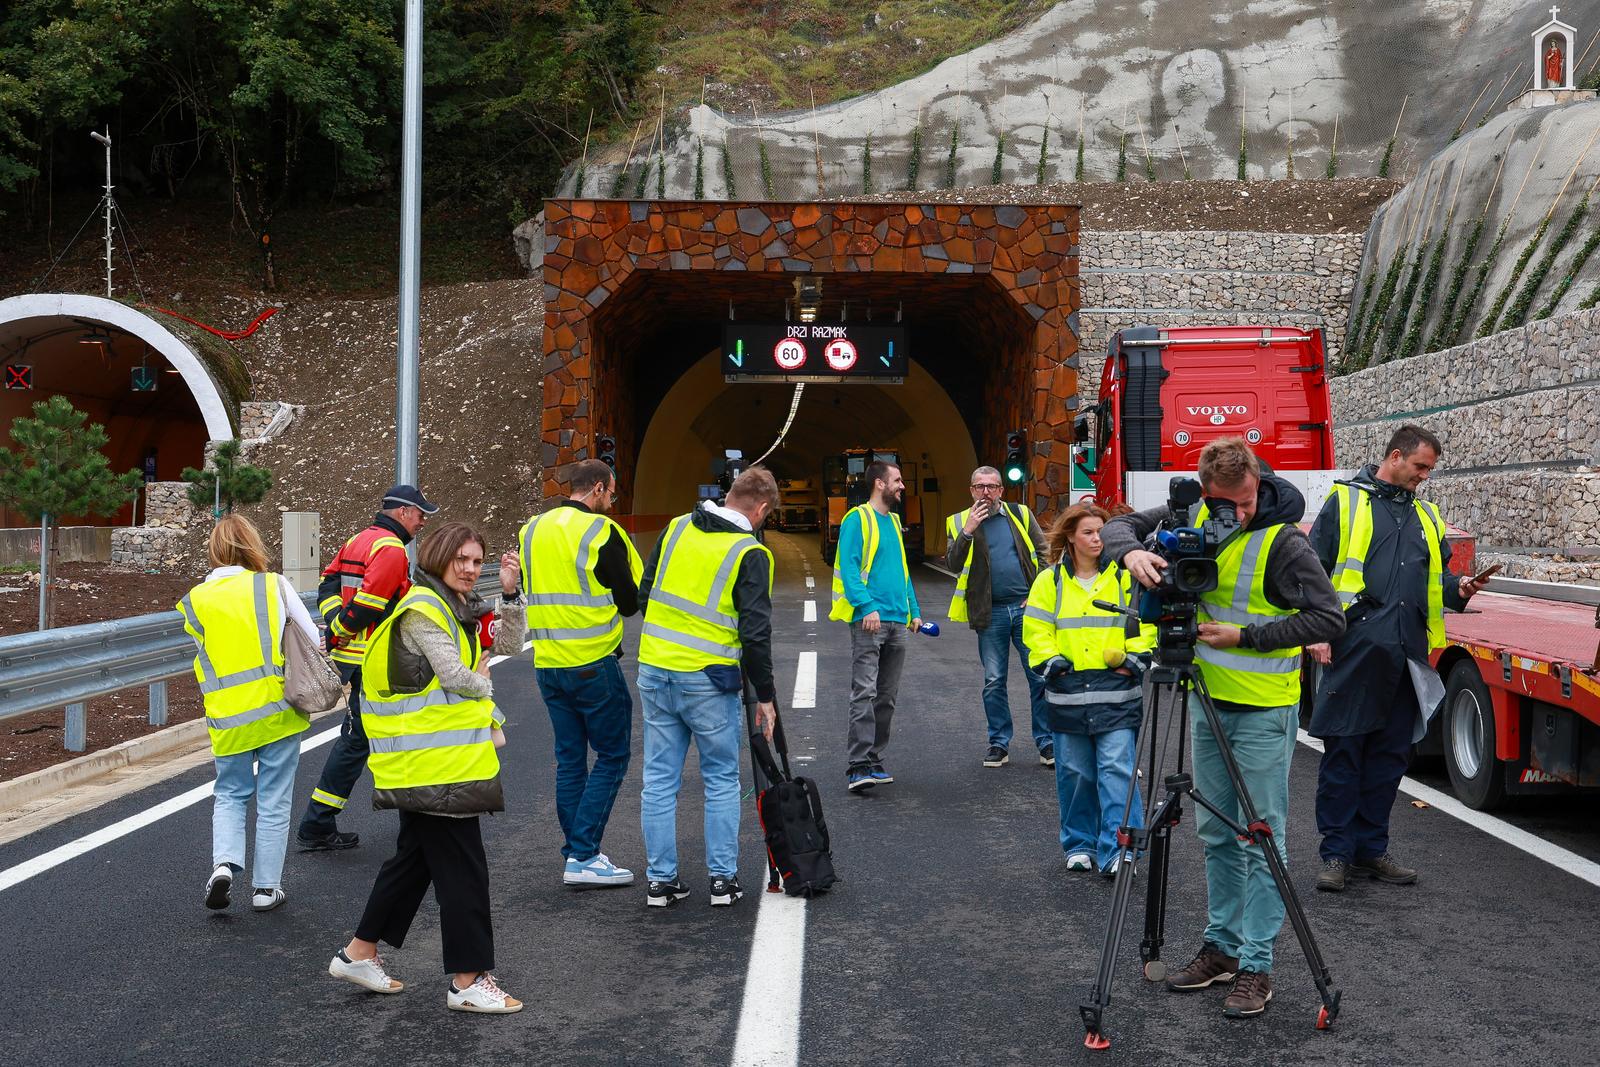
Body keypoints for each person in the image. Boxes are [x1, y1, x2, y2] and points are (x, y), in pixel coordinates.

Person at [1102, 437, 1344, 1019]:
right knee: (1215, 835)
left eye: (1241, 500)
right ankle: (1224, 948)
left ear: (1257, 482)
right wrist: (1130, 553)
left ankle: (1257, 966)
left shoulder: (1284, 542)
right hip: (1206, 701)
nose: (1231, 512)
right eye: (1220, 502)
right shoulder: (1197, 513)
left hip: (1263, 708)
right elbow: (1118, 526)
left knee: (1259, 837)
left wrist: (1247, 637)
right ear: (1204, 489)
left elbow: (1328, 618)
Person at [328, 521, 528, 1014]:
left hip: (430, 763)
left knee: (413, 863)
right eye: (462, 558)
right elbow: (459, 677)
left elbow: (505, 648)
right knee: (464, 870)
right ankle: (468, 979)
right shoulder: (423, 610)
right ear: (438, 557)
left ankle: (360, 952)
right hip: (434, 766)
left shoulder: (455, 607)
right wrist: (483, 684)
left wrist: (511, 595)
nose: (470, 568)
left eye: (478, 561)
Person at [1306, 425, 1488, 892]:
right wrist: (1316, 633)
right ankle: (1336, 854)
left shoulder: (1426, 515)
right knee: (1345, 755)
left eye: (1429, 469)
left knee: (1388, 759)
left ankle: (1370, 850)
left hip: (1407, 654)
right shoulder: (1346, 502)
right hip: (1353, 650)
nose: (1425, 477)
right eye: (1420, 467)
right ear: (1395, 456)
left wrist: (1459, 590)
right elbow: (1311, 573)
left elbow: (1437, 580)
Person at [635, 466, 779, 908]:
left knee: (659, 780)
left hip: (655, 670)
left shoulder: (677, 527)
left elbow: (645, 594)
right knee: (719, 779)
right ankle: (722, 880)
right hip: (709, 681)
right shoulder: (749, 552)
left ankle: (660, 883)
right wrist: (766, 696)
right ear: (761, 508)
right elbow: (755, 634)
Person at [179, 515, 318, 913]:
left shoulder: (196, 599)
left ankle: (223, 864)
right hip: (276, 711)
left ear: (215, 550)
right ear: (251, 546)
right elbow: (309, 637)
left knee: (229, 795)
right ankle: (265, 889)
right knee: (273, 800)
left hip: (227, 717)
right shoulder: (272, 585)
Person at [517, 458, 643, 887]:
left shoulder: (531, 529)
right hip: (593, 664)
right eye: (611, 492)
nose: (612, 499)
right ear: (600, 488)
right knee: (612, 756)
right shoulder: (602, 532)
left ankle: (577, 854)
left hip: (548, 664)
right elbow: (629, 602)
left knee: (569, 760)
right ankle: (584, 854)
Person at [296, 485, 436, 851]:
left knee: (360, 739)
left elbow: (326, 587)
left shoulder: (358, 540)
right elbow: (371, 606)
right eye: (421, 514)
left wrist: (334, 625)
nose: (422, 522)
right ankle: (318, 823)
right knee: (370, 739)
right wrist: (340, 632)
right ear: (403, 512)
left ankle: (320, 822)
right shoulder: (390, 550)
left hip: (354, 660)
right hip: (374, 662)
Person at [1023, 504, 1155, 876]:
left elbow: (1146, 625)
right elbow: (1035, 631)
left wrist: (1135, 660)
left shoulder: (1125, 578)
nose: (1097, 539)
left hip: (1116, 691)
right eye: (1088, 532)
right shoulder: (1049, 582)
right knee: (1075, 773)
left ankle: (1119, 849)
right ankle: (1080, 844)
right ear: (1070, 537)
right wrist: (1052, 663)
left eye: (1100, 531)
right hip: (1068, 693)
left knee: (1117, 770)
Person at [945, 465, 1051, 769]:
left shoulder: (1020, 515)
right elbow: (953, 563)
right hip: (989, 613)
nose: (986, 492)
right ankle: (998, 744)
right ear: (971, 490)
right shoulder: (958, 522)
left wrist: (1038, 594)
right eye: (980, 487)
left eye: (992, 487)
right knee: (994, 680)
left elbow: (1044, 554)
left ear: (1001, 491)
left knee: (1039, 676)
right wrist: (968, 529)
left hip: (1025, 608)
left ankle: (1046, 743)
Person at [830, 459, 922, 792]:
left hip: (898, 621)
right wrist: (865, 606)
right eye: (897, 480)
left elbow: (903, 571)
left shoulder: (894, 522)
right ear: (880, 484)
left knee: (887, 697)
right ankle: (858, 765)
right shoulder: (857, 519)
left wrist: (914, 610)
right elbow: (849, 569)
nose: (902, 486)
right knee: (864, 693)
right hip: (870, 621)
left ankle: (874, 758)